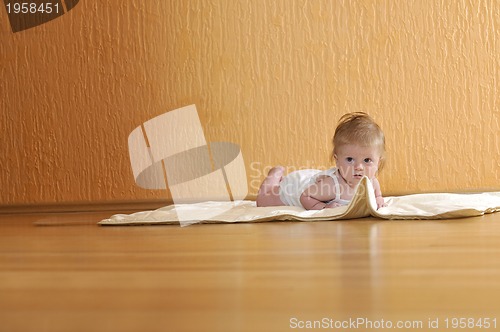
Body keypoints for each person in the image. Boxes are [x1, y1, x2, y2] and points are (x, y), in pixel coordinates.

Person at [256, 112, 387, 210]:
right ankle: (275, 175)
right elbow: (305, 196)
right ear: (337, 161)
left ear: (378, 163)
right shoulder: (332, 186)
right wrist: (323, 208)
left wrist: (378, 198)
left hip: (316, 182)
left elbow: (376, 193)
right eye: (350, 159)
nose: (359, 167)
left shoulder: (371, 180)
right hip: (297, 188)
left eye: (367, 160)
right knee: (262, 201)